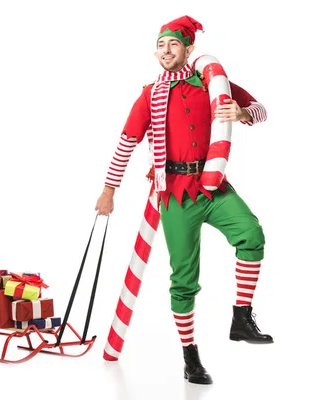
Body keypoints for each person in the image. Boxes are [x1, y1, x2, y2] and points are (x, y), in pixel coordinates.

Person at [95, 15, 273, 385]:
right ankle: (190, 355)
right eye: (161, 45)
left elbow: (261, 109)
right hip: (174, 193)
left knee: (251, 234)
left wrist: (241, 113)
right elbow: (126, 143)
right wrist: (109, 191)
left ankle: (241, 317)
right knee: (184, 279)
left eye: (173, 44)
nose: (166, 50)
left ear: (188, 49)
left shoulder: (212, 84)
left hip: (212, 184)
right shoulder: (150, 94)